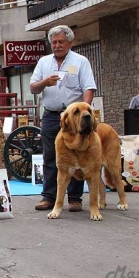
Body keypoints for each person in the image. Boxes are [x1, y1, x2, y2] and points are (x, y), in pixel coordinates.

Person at [30, 25, 97, 212]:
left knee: (78, 155)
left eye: (61, 42)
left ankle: (75, 199)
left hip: (75, 116)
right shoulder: (43, 62)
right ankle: (49, 197)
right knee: (51, 156)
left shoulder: (81, 61)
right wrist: (44, 82)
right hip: (52, 116)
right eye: (54, 42)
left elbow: (88, 88)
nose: (57, 45)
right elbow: (33, 87)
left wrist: (86, 111)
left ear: (70, 42)